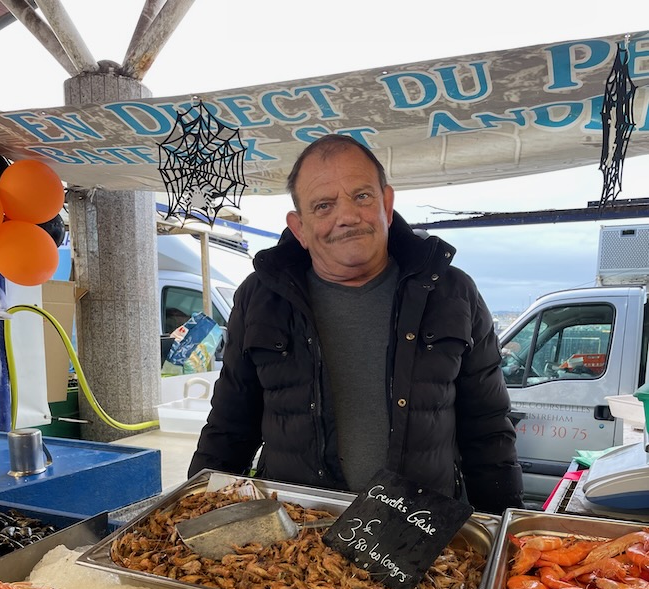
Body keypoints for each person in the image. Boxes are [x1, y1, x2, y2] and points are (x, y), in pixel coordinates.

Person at [188, 134, 524, 514]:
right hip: (295, 543)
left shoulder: (452, 291)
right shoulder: (259, 297)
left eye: (362, 196)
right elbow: (229, 427)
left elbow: (488, 429)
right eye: (324, 205)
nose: (347, 216)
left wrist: (504, 528)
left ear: (387, 203)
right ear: (299, 227)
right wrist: (190, 514)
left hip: (420, 538)